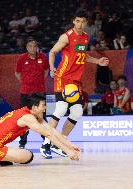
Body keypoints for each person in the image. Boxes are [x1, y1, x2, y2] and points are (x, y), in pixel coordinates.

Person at [42, 9, 109, 159]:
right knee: (60, 109)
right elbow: (52, 52)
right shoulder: (66, 37)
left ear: (86, 23)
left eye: (83, 21)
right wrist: (52, 67)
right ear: (73, 21)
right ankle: (46, 144)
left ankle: (59, 142)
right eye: (77, 21)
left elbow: (83, 55)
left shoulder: (86, 37)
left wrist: (97, 61)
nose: (80, 24)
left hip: (75, 80)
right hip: (63, 76)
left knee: (77, 112)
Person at [14, 39, 49, 152]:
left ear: (37, 47)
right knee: (24, 118)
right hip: (25, 92)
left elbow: (46, 70)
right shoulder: (22, 58)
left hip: (40, 92)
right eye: (30, 46)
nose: (32, 48)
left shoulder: (43, 57)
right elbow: (17, 73)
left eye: (34, 46)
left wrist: (40, 82)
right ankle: (22, 142)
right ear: (27, 48)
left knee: (41, 117)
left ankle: (46, 142)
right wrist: (24, 83)